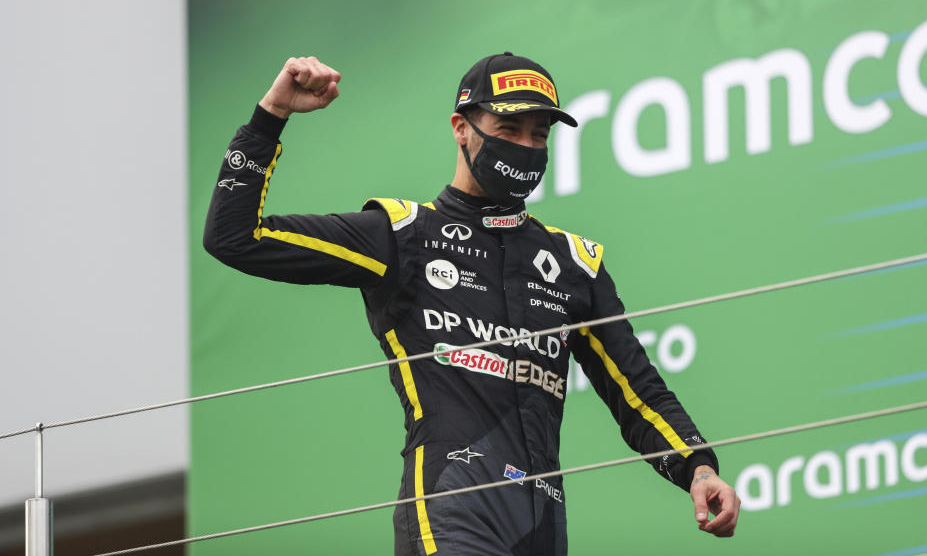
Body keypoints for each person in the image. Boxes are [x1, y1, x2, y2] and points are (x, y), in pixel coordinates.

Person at [204, 52, 740, 555]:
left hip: (544, 525)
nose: (526, 146)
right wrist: (270, 115)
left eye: (539, 134)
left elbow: (636, 388)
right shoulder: (401, 234)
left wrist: (698, 468)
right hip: (450, 506)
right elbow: (235, 237)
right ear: (461, 127)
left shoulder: (575, 262)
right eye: (508, 129)